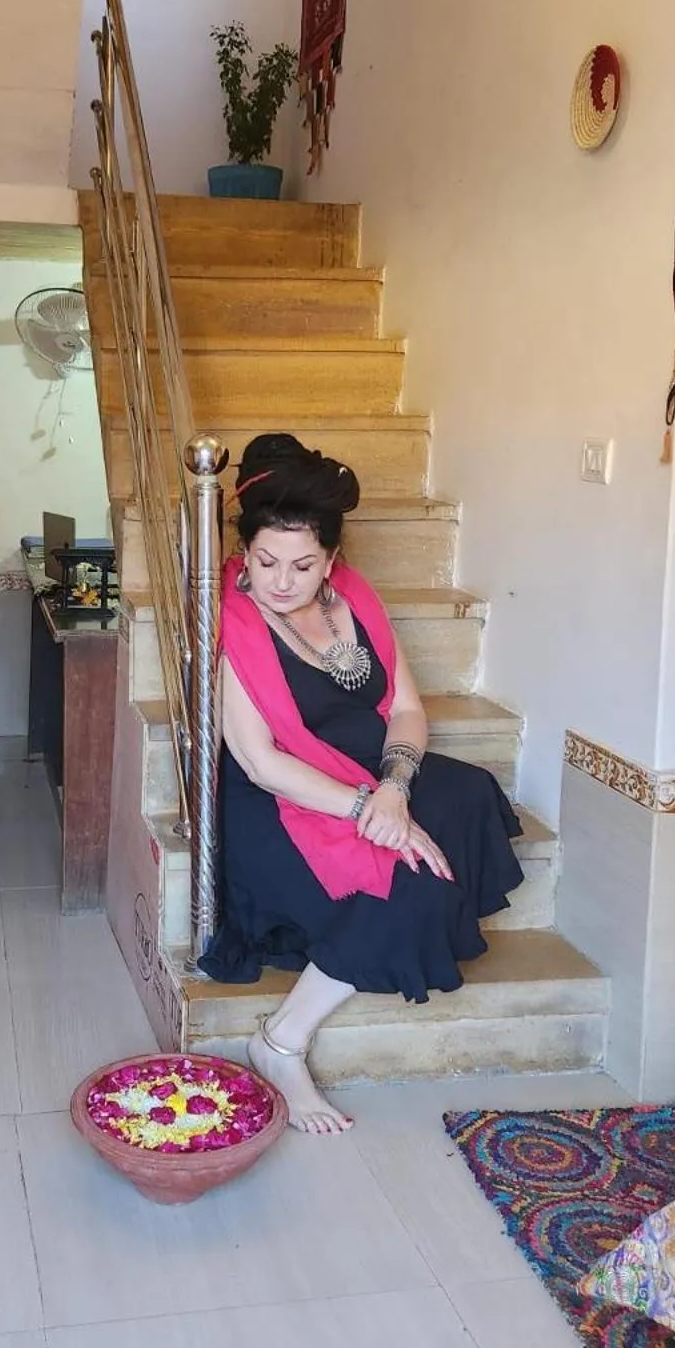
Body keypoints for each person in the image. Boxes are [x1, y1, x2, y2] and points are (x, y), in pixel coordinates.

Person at [199, 433, 525, 1135]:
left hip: (373, 771)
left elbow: (406, 708)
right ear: (245, 553)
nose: (282, 581)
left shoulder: (354, 596)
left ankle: (394, 889)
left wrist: (395, 790)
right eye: (265, 561)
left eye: (303, 565)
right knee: (410, 889)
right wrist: (364, 810)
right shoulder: (231, 618)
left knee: (469, 796)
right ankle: (282, 1041)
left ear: (332, 562)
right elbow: (258, 760)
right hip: (284, 796)